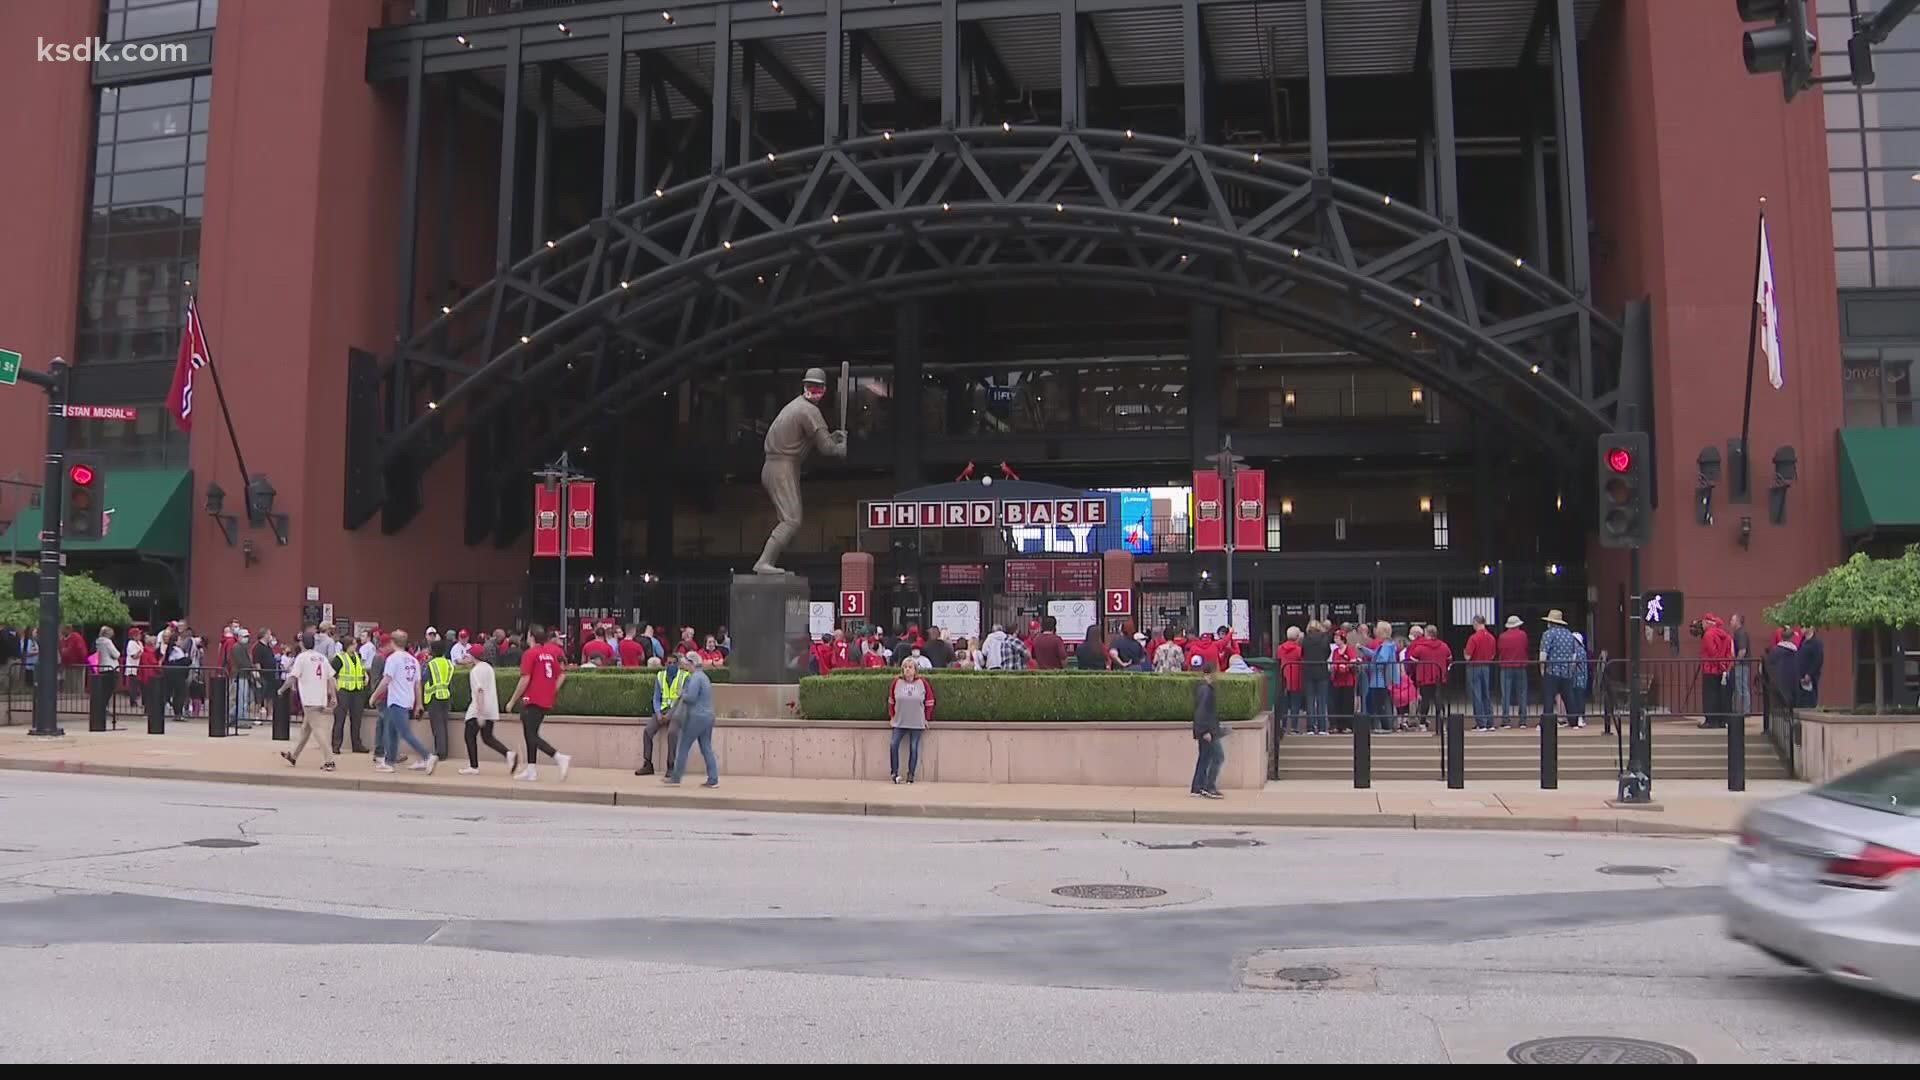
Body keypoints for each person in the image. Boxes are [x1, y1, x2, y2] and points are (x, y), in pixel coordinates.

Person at [504, 625, 571, 782]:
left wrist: (512, 700)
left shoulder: (530, 653)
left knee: (531, 735)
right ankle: (531, 770)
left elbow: (525, 678)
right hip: (545, 699)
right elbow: (561, 675)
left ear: (531, 637)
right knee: (531, 734)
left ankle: (559, 757)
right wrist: (551, 690)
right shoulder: (549, 653)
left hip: (532, 698)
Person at [369, 630, 435, 773]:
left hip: (396, 700)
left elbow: (386, 680)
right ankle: (390, 762)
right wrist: (419, 703)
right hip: (406, 700)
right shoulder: (413, 660)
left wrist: (374, 695)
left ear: (392, 642)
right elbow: (418, 684)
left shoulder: (393, 659)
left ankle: (427, 756)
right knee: (391, 731)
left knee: (405, 733)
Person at [277, 632, 338, 771]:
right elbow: (331, 678)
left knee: (317, 730)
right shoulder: (322, 658)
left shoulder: (302, 658)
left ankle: (329, 760)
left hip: (309, 699)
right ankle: (294, 755)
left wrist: (281, 690)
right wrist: (333, 696)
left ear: (301, 643)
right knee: (306, 729)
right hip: (320, 697)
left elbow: (292, 677)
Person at [458, 644, 515, 775]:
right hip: (491, 707)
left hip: (478, 709)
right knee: (487, 737)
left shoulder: (475, 671)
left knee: (469, 736)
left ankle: (473, 766)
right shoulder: (488, 668)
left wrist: (479, 713)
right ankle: (508, 754)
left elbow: (479, 691)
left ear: (473, 656)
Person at [664, 650, 718, 787]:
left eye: (687, 662)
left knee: (683, 746)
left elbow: (692, 698)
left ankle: (676, 777)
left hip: (696, 717)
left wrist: (682, 694)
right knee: (706, 747)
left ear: (692, 663)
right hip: (708, 716)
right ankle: (713, 778)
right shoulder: (704, 677)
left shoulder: (695, 678)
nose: (685, 665)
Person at [636, 652, 687, 777]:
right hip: (662, 711)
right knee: (647, 731)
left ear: (679, 665)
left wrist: (670, 714)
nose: (672, 665)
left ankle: (671, 766)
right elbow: (656, 698)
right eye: (669, 663)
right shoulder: (660, 676)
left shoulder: (685, 677)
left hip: (677, 712)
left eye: (674, 663)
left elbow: (683, 699)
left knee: (672, 733)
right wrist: (658, 713)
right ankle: (648, 764)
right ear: (665, 664)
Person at [886, 656, 935, 784]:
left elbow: (929, 701)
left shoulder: (922, 683)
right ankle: (894, 772)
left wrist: (926, 718)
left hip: (916, 721)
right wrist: (892, 716)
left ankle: (911, 774)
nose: (907, 670)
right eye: (905, 667)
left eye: (910, 667)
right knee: (893, 744)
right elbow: (891, 701)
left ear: (915, 670)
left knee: (913, 747)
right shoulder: (896, 682)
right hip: (899, 721)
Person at [1537, 610, 1584, 729]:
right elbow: (1574, 655)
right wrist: (1570, 670)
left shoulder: (1548, 634)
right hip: (1566, 671)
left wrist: (1542, 669)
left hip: (1552, 670)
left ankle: (1547, 723)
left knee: (1549, 697)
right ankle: (1574, 722)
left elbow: (1543, 654)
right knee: (1569, 697)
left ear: (1551, 622)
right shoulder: (1569, 634)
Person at [1190, 658, 1224, 799]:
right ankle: (1209, 786)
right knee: (1218, 757)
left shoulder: (1202, 688)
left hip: (1205, 729)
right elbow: (1202, 712)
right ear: (1212, 673)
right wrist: (1205, 731)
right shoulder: (1206, 690)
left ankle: (1197, 787)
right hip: (1207, 730)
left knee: (1204, 758)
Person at [331, 634, 370, 754]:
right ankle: (336, 745)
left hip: (358, 691)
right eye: (354, 644)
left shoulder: (358, 656)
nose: (356, 645)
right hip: (343, 691)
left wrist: (365, 676)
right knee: (340, 719)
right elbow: (331, 674)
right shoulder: (339, 658)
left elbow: (361, 669)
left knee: (357, 719)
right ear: (348, 646)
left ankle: (357, 745)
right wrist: (334, 690)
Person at [1698, 613, 1736, 729]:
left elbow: (1712, 652)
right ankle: (1721, 720)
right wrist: (1724, 666)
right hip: (1721, 669)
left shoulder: (1709, 635)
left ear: (1707, 623)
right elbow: (1729, 653)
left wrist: (1718, 664)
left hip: (1710, 668)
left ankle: (1710, 720)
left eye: (1703, 623)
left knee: (1709, 695)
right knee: (1720, 695)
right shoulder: (1725, 635)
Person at [423, 638, 456, 760]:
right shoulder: (449, 663)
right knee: (443, 724)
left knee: (437, 726)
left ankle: (440, 752)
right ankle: (444, 751)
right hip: (446, 697)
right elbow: (451, 683)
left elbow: (424, 679)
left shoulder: (430, 664)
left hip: (434, 698)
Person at [1496, 614, 1530, 728]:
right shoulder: (1523, 635)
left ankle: (1506, 720)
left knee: (1505, 694)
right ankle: (1523, 720)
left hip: (1506, 667)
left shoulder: (1502, 636)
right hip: (1520, 666)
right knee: (1522, 693)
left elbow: (1500, 649)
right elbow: (1525, 647)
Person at [1463, 615, 1496, 730]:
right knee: (1486, 694)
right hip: (1486, 666)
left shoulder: (1473, 638)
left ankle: (1481, 722)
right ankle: (1490, 722)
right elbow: (1492, 655)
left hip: (1474, 666)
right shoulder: (1491, 637)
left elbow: (1467, 656)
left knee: (1477, 695)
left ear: (1476, 623)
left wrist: (1464, 653)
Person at [92, 624, 121, 730]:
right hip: (111, 667)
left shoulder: (98, 642)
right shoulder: (107, 642)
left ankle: (102, 707)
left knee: (104, 689)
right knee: (109, 689)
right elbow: (116, 654)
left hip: (102, 667)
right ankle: (103, 707)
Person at [1276, 626, 1304, 734]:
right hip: (1295, 677)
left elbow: (1278, 659)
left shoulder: (1280, 648)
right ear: (1297, 637)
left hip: (1283, 677)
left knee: (1284, 703)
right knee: (1295, 704)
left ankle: (1282, 725)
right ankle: (1294, 727)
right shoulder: (1298, 649)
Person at [1730, 613, 1752, 721]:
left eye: (1732, 620)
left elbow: (1742, 650)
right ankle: (1741, 709)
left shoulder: (1740, 633)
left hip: (1742, 665)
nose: (1730, 622)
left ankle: (1744, 710)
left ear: (1738, 621)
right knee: (1740, 686)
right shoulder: (1739, 633)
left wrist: (1736, 662)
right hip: (1742, 664)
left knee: (1741, 687)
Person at [1796, 626, 1823, 708]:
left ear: (1810, 628)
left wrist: (1809, 674)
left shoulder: (1816, 643)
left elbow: (1818, 660)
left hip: (1809, 678)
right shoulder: (1803, 641)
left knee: (1809, 700)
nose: (1801, 629)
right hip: (1799, 676)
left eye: (1803, 626)